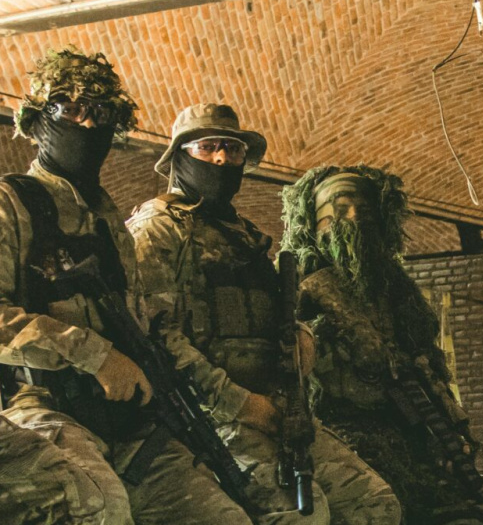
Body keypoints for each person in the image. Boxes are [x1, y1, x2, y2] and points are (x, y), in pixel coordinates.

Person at [0, 47, 249, 525]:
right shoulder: (11, 202)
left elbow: (140, 313)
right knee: (97, 505)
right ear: (35, 122)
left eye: (101, 114)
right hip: (42, 405)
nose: (88, 125)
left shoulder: (108, 218)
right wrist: (95, 354)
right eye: (70, 110)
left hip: (127, 417)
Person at [127, 104, 400, 525]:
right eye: (209, 147)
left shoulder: (244, 235)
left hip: (279, 409)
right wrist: (243, 405)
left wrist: (303, 338)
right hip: (211, 415)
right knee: (301, 517)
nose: (221, 158)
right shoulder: (161, 227)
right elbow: (158, 339)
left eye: (232, 150)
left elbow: (276, 316)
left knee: (375, 504)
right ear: (181, 155)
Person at [279, 165, 483, 525]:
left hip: (408, 423)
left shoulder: (396, 294)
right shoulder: (301, 289)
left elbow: (426, 365)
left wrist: (450, 429)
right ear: (316, 223)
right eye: (339, 211)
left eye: (363, 211)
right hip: (339, 432)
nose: (353, 219)